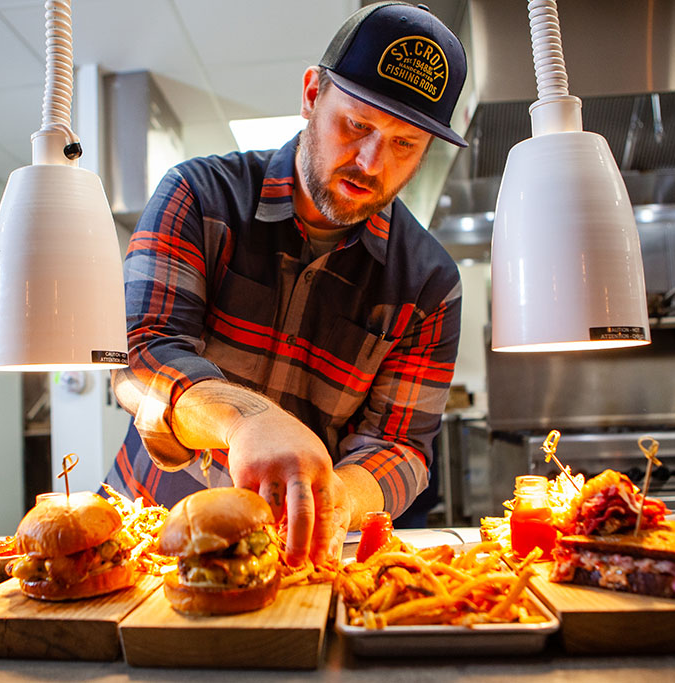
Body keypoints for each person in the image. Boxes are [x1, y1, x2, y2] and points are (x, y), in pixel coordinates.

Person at [103, 2, 467, 566]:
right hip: (144, 538)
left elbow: (402, 447)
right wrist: (248, 421)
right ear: (311, 94)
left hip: (296, 555)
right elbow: (141, 353)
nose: (371, 163)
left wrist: (331, 498)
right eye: (358, 125)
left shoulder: (430, 282)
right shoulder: (199, 196)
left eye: (404, 144)